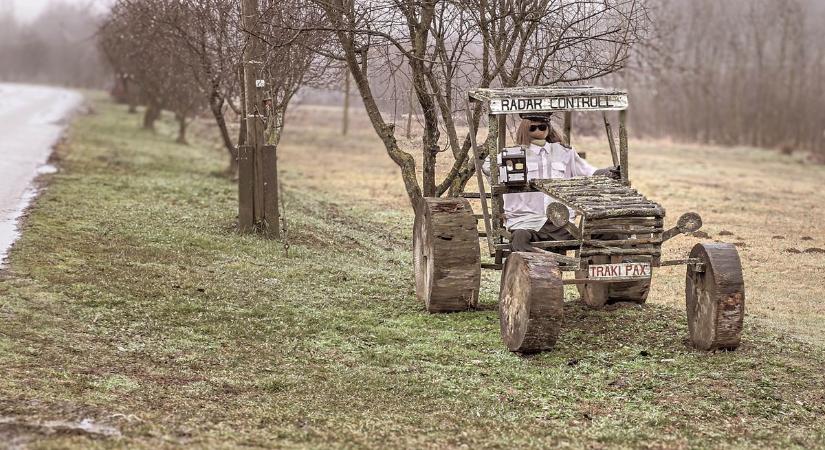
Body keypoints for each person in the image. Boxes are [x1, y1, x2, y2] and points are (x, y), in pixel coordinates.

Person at [485, 112, 620, 253]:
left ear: (548, 128)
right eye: (532, 128)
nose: (538, 131)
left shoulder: (564, 152)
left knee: (607, 232)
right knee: (520, 239)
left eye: (542, 127)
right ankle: (539, 268)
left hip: (561, 224)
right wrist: (499, 161)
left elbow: (589, 171)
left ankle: (620, 265)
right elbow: (488, 166)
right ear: (524, 129)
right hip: (526, 222)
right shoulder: (513, 154)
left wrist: (611, 172)